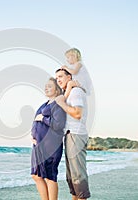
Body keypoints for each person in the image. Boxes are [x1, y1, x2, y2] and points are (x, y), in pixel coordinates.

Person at [55, 68, 91, 200]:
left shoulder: (76, 92)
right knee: (71, 177)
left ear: (69, 77)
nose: (58, 80)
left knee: (78, 175)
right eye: (56, 77)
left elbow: (77, 113)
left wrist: (62, 104)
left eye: (61, 76)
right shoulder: (69, 92)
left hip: (76, 134)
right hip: (70, 135)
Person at [31, 77, 66, 200]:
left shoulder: (58, 104)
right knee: (36, 175)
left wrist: (43, 119)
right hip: (39, 145)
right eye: (46, 86)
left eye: (50, 86)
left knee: (50, 176)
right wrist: (33, 135)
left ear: (57, 90)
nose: (46, 88)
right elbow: (36, 120)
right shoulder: (45, 104)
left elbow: (58, 125)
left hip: (51, 145)